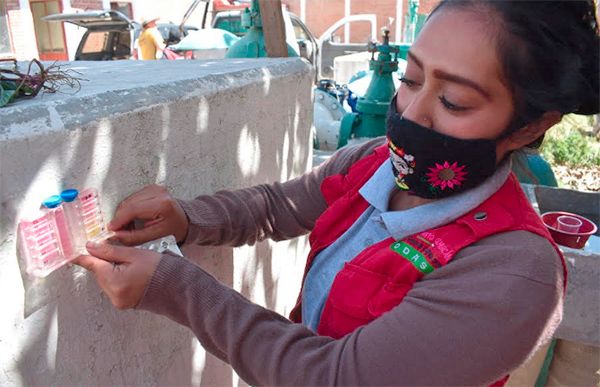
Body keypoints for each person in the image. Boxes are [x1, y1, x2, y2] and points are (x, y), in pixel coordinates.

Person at [75, 1, 599, 385]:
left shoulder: (511, 274)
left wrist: (175, 287)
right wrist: (188, 219)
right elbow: (278, 206)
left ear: (530, 127)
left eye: (455, 101)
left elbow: (333, 378)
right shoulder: (376, 164)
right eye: (411, 79)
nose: (412, 115)